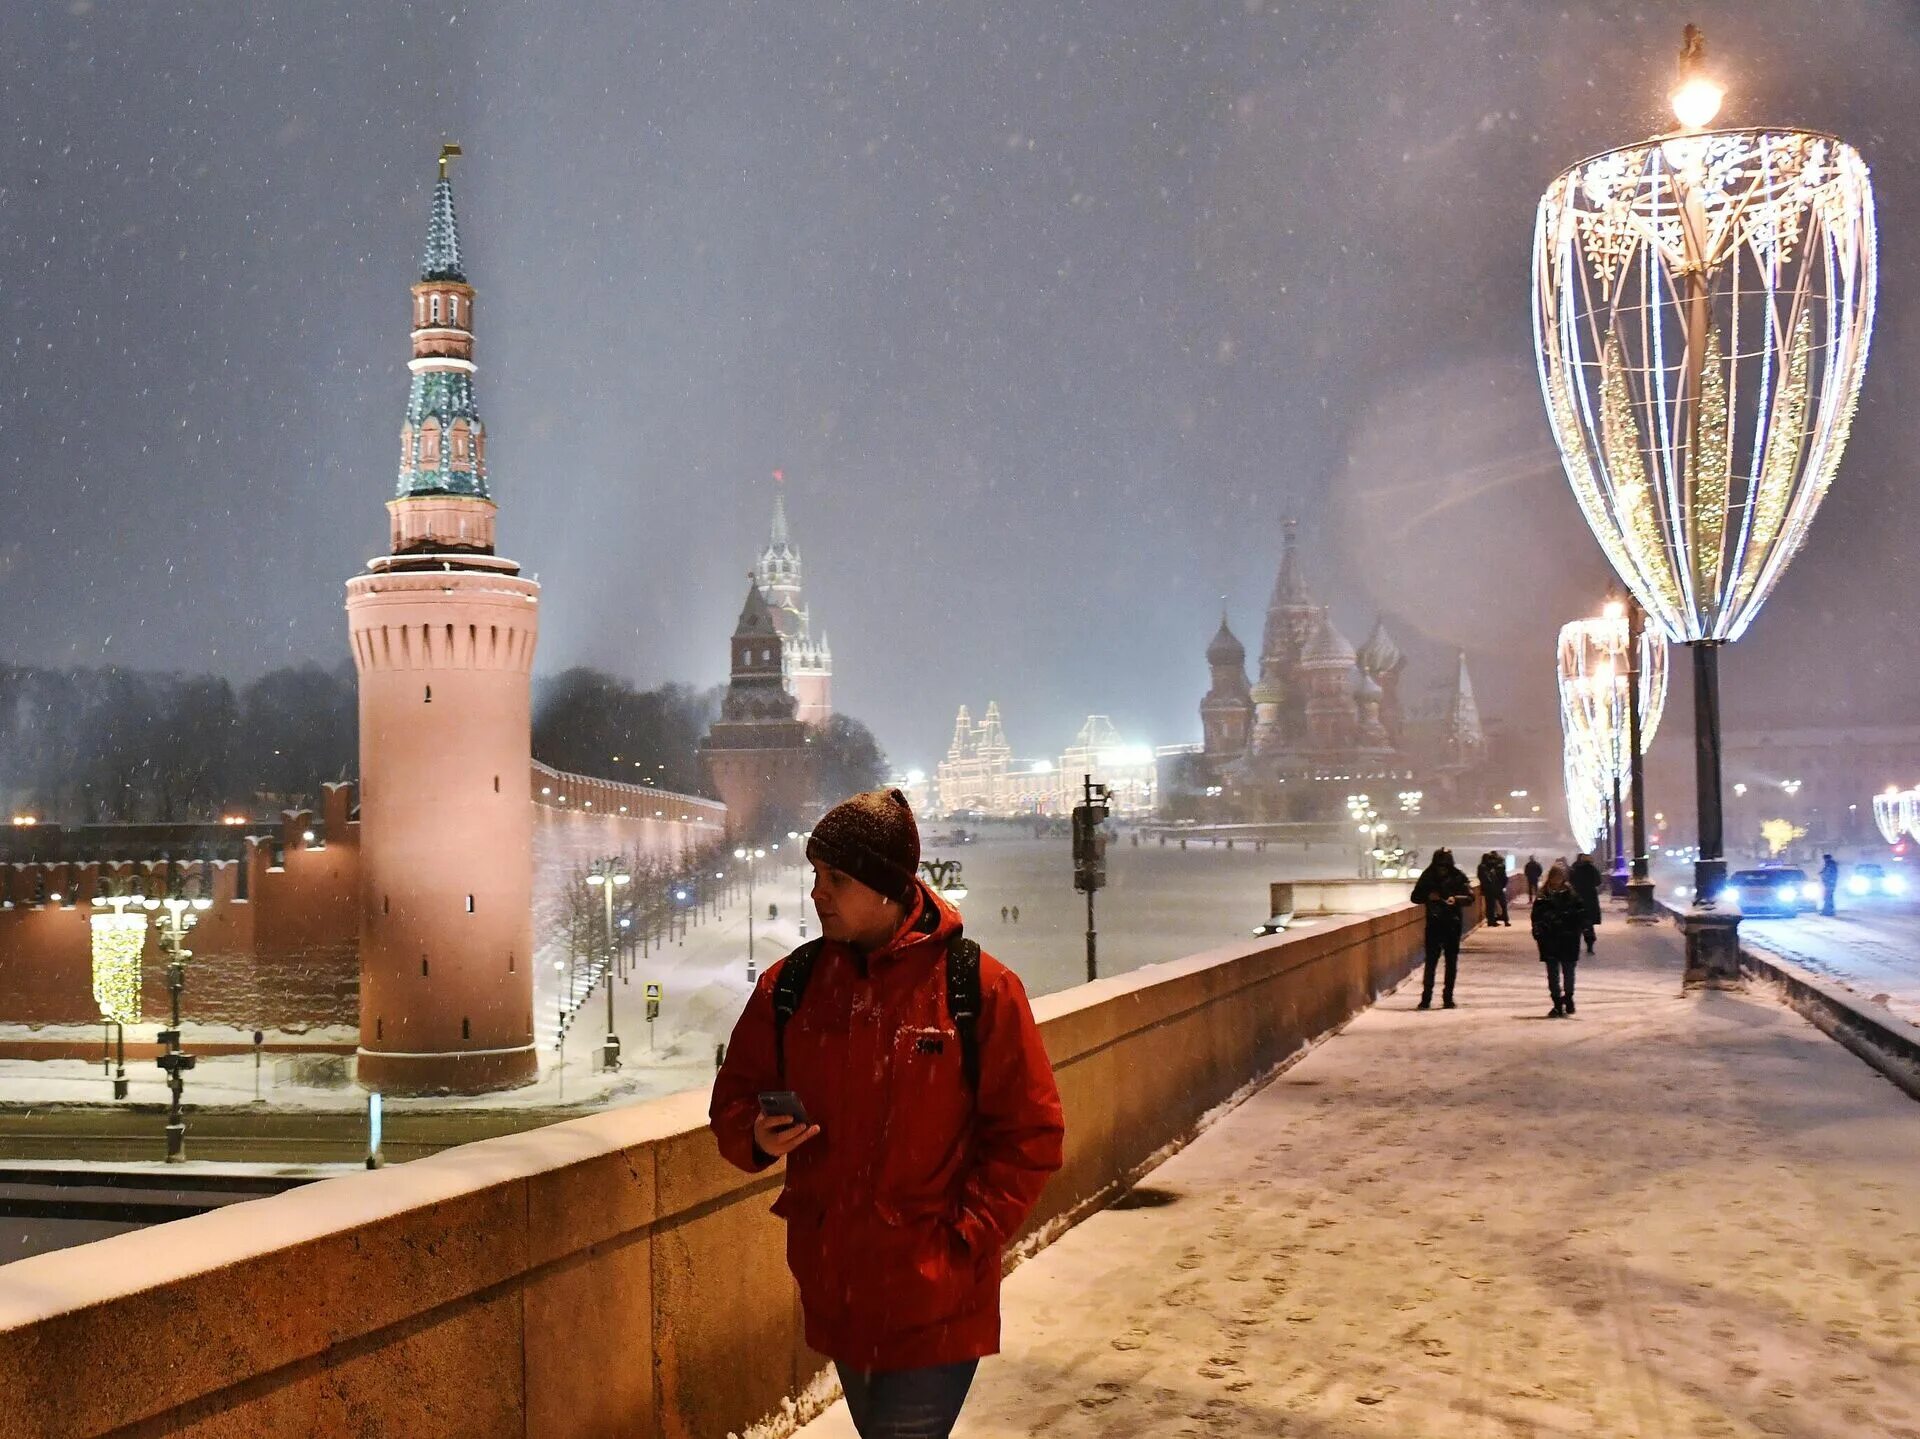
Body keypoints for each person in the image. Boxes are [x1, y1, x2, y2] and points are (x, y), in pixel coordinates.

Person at [711, 789, 1064, 1439]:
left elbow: (1031, 1131)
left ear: (884, 886)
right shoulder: (790, 986)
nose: (817, 892)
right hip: (839, 1292)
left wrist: (962, 1239)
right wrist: (755, 1134)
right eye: (814, 875)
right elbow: (734, 1097)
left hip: (936, 1299)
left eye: (836, 878)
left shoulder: (977, 986)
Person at [1411, 847, 1474, 1010]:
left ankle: (1448, 997)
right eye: (1440, 866)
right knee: (1431, 962)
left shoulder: (1458, 876)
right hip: (1434, 924)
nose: (1442, 870)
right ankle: (1426, 998)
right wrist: (1428, 896)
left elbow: (1470, 897)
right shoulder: (1428, 876)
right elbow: (1415, 897)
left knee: (1451, 962)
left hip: (1452, 924)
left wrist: (1456, 899)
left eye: (1444, 866)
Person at [1531, 862, 1586, 1017]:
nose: (1557, 879)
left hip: (1568, 938)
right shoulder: (1543, 896)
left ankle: (1568, 998)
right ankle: (1557, 1002)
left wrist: (1574, 927)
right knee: (1552, 973)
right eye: (1555, 876)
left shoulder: (1572, 895)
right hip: (1550, 939)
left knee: (1568, 971)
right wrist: (1539, 931)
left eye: (1560, 876)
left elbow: (1580, 915)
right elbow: (1536, 917)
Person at [1568, 852, 1604, 954]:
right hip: (1590, 899)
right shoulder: (1592, 869)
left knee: (1576, 924)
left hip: (1576, 898)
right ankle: (1590, 946)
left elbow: (1570, 882)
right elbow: (1598, 882)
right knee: (1588, 924)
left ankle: (1575, 946)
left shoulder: (1574, 869)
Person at [1477, 852, 1510, 926]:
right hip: (1494, 888)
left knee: (1491, 905)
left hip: (1490, 889)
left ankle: (1493, 920)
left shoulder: (1485, 867)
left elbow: (1483, 877)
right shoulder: (1491, 867)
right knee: (1498, 905)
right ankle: (1500, 920)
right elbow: (1503, 878)